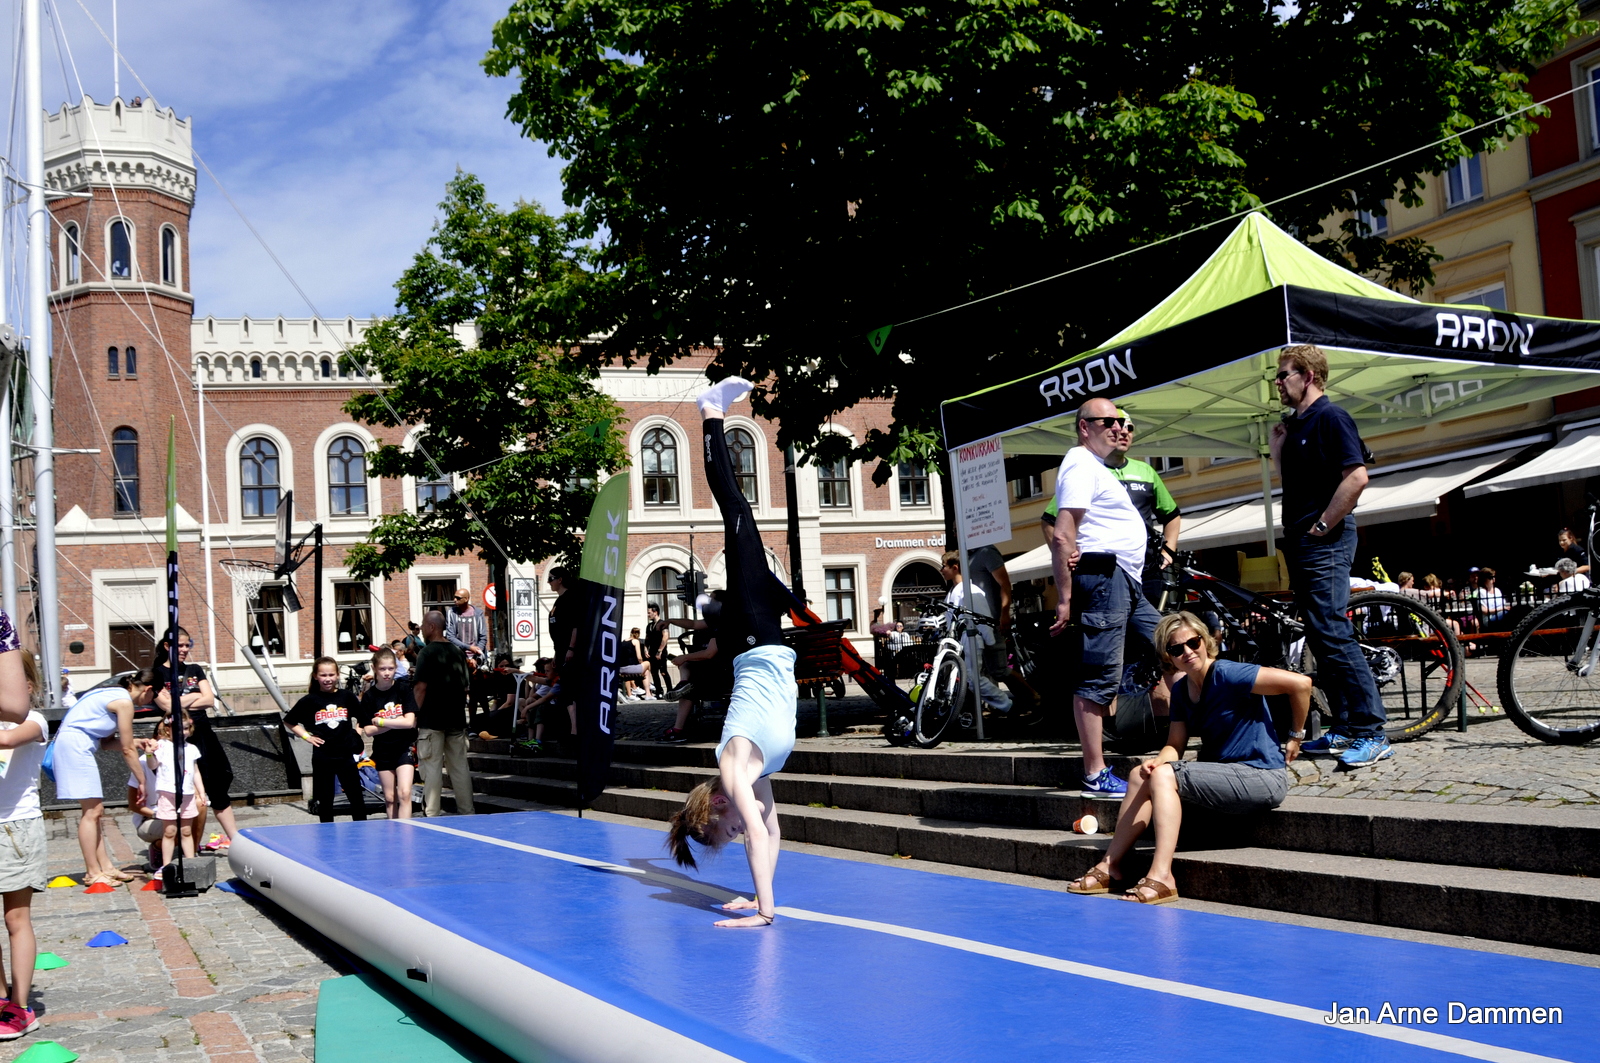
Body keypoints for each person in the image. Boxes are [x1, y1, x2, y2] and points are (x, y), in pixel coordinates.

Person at [666, 377, 797, 928]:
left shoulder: (731, 767)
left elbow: (752, 827)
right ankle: (714, 417)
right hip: (768, 638)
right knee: (746, 526)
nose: (736, 831)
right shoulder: (755, 773)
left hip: (754, 640)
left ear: (716, 807)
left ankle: (710, 415)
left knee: (737, 512)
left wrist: (763, 913)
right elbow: (771, 830)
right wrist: (757, 896)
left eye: (725, 831)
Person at [1066, 611, 1306, 904]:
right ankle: (1110, 866)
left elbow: (1301, 684)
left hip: (1262, 776)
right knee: (1139, 774)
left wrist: (1296, 736)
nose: (1187, 652)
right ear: (1168, 656)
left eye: (1193, 643)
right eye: (1176, 649)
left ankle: (1162, 875)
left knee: (1165, 775)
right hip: (1224, 776)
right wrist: (1156, 762)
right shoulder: (1180, 689)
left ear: (1206, 641)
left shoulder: (1229, 673)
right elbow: (1175, 745)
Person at [1269, 344, 1388, 769]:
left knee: (1332, 632)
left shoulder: (1332, 417)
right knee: (1319, 635)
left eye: (1284, 375)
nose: (1277, 383)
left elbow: (1357, 477)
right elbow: (1296, 482)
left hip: (1325, 542)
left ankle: (1372, 730)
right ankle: (1345, 726)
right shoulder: (1297, 423)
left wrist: (1323, 525)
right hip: (1303, 543)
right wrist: (1278, 448)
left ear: (1310, 376)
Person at [1049, 397, 1160, 798]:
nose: (1118, 427)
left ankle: (1189, 738)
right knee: (1099, 677)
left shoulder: (1096, 467)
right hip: (1106, 581)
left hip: (1125, 580)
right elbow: (1062, 533)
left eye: (1122, 421)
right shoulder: (1079, 463)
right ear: (1084, 426)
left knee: (1173, 644)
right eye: (1108, 421)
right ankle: (1095, 774)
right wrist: (1065, 599)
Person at [53, 669, 157, 884]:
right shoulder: (124, 702)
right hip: (76, 747)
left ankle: (106, 867)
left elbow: (108, 742)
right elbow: (127, 750)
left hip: (75, 745)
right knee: (92, 812)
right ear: (148, 690)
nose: (152, 701)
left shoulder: (112, 694)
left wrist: (137, 742)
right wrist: (142, 780)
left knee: (94, 812)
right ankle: (93, 872)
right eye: (154, 696)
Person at [0, 641, 49, 1041]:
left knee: (16, 919)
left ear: (26, 684)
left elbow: (9, 740)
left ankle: (20, 1005)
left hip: (15, 829)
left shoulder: (34, 720)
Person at [153, 628, 237, 853]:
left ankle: (236, 839)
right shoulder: (157, 673)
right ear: (167, 646)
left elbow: (209, 699)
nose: (184, 650)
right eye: (179, 646)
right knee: (187, 790)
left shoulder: (194, 669)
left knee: (218, 782)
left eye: (187, 645)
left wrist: (181, 700)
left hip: (202, 733)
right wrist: (192, 697)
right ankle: (185, 844)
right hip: (175, 737)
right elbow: (168, 707)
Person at [1105, 410, 1182, 607]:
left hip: (1147, 570)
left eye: (1129, 428)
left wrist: (1169, 550)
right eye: (1119, 427)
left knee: (1151, 632)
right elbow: (1051, 519)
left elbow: (1172, 515)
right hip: (1108, 571)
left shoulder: (1145, 471)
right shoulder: (1090, 470)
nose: (1124, 433)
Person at [284, 658, 368, 823]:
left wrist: (356, 734)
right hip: (323, 756)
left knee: (356, 797)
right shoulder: (309, 700)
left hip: (345, 754)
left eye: (331, 674)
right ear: (315, 676)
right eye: (323, 675)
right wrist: (307, 737)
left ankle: (361, 831)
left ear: (337, 675)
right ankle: (327, 836)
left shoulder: (347, 696)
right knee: (325, 800)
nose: (327, 678)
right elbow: (289, 721)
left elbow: (363, 718)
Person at [412, 611, 474, 817]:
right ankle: (467, 811)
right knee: (460, 768)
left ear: (431, 627)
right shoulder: (458, 651)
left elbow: (420, 687)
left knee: (432, 768)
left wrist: (413, 714)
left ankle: (432, 813)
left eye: (423, 624)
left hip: (432, 718)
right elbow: (466, 688)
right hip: (456, 718)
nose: (421, 628)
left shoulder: (426, 653)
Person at [940, 551, 1011, 714]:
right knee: (966, 679)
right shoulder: (953, 592)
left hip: (971, 638)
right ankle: (970, 712)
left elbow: (982, 617)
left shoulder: (971, 591)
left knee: (972, 678)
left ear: (955, 567)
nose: (941, 570)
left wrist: (990, 640)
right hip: (961, 640)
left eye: (944, 566)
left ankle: (1006, 704)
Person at [359, 648, 417, 820]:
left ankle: (406, 830)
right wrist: (396, 721)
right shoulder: (369, 697)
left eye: (391, 669)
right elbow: (368, 730)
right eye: (383, 669)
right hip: (383, 750)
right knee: (390, 798)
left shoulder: (403, 689)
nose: (387, 673)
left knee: (405, 793)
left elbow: (409, 722)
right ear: (374, 668)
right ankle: (393, 831)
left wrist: (383, 721)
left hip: (403, 747)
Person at [151, 712, 203, 872]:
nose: (184, 732)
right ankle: (166, 866)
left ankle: (190, 864)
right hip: (168, 793)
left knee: (186, 830)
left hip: (187, 794)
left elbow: (195, 771)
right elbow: (152, 765)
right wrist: (148, 752)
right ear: (168, 729)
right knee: (169, 831)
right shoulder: (162, 746)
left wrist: (201, 791)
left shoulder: (192, 749)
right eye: (180, 729)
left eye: (186, 728)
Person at [446, 587, 488, 663]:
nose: (454, 600)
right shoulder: (451, 613)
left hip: (476, 657)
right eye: (454, 597)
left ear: (466, 599)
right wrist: (469, 647)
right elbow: (450, 637)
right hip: (458, 657)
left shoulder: (478, 613)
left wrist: (476, 655)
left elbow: (483, 637)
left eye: (458, 598)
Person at [645, 603, 671, 698]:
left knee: (663, 672)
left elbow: (665, 637)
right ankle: (659, 691)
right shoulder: (649, 626)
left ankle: (670, 690)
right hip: (652, 652)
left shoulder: (662, 624)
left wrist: (660, 651)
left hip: (661, 652)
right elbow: (647, 639)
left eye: (649, 613)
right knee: (654, 672)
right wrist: (645, 649)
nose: (648, 615)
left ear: (655, 612)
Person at [618, 629, 651, 700]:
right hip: (632, 668)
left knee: (629, 676)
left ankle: (630, 694)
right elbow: (639, 657)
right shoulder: (636, 641)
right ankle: (648, 691)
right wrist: (642, 663)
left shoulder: (623, 641)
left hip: (622, 668)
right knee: (647, 664)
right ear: (638, 634)